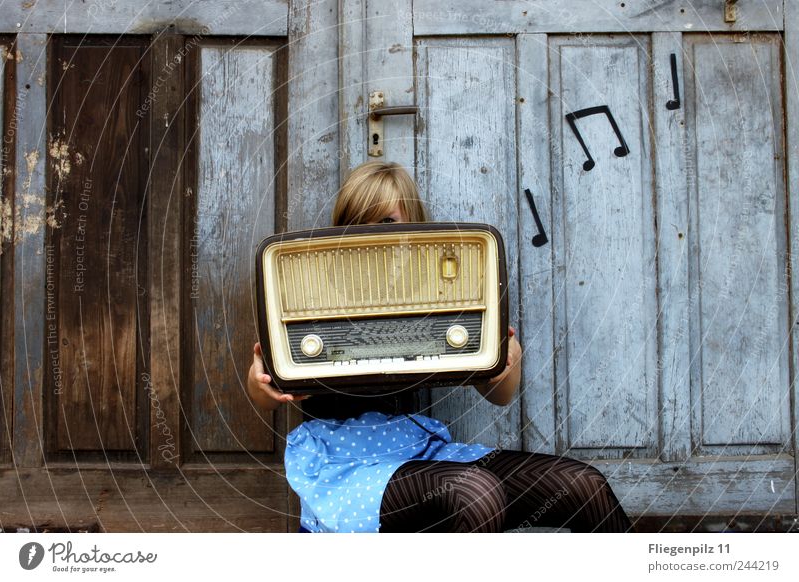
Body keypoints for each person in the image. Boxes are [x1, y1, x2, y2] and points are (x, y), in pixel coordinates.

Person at [247, 161, 633, 533]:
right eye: (358, 221)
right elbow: (266, 392)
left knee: (583, 485)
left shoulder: (444, 285)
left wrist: (505, 363)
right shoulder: (306, 283)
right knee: (475, 492)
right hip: (342, 462)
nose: (372, 235)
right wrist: (259, 381)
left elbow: (500, 394)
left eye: (386, 222)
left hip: (417, 451)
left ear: (413, 225)